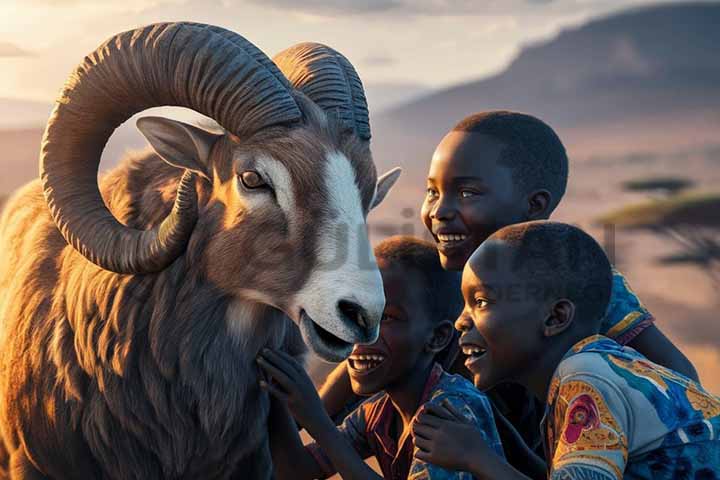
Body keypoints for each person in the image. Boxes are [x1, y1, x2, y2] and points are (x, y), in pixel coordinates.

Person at [320, 110, 698, 463]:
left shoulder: (570, 276)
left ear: (534, 206)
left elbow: (682, 382)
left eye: (467, 193)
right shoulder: (438, 277)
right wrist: (306, 409)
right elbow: (370, 346)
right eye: (433, 192)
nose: (440, 211)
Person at [412, 221, 720, 479]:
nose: (460, 322)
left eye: (480, 302)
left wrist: (476, 458)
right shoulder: (597, 371)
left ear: (555, 317)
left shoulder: (585, 377)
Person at [257, 236, 504, 480]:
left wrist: (318, 422)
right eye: (353, 312)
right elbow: (295, 470)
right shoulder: (378, 414)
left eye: (385, 317)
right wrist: (277, 393)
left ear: (437, 337)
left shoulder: (451, 407)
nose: (358, 331)